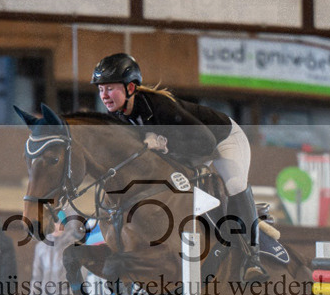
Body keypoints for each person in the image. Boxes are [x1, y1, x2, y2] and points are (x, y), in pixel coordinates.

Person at [90, 53, 268, 283]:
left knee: (234, 184)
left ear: (131, 87)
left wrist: (166, 144)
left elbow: (206, 144)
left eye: (110, 88)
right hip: (185, 152)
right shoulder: (117, 117)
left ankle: (252, 258)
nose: (104, 95)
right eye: (101, 89)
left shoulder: (160, 105)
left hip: (221, 138)